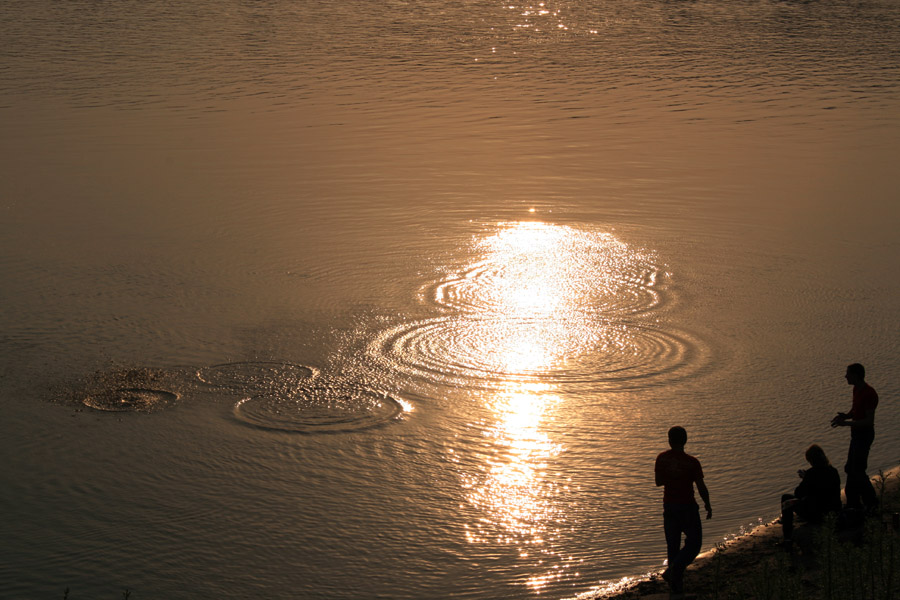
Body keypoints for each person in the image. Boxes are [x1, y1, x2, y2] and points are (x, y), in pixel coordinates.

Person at [655, 426, 712, 596]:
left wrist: (671, 475)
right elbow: (701, 486)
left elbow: (658, 482)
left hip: (670, 507)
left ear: (669, 440)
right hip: (687, 507)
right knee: (694, 543)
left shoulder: (662, 458)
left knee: (673, 547)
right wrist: (707, 504)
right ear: (685, 440)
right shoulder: (692, 462)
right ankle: (673, 574)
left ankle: (675, 584)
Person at [831, 363, 879, 512]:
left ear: (856, 375)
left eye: (848, 374)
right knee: (850, 468)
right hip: (857, 434)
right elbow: (856, 410)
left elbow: (868, 421)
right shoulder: (856, 390)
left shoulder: (869, 393)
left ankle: (871, 502)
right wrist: (846, 415)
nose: (845, 376)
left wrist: (846, 423)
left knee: (858, 470)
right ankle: (853, 502)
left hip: (864, 435)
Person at [780, 444, 842, 549]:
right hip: (833, 511)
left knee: (786, 498)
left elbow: (799, 493)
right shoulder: (833, 471)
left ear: (811, 460)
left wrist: (805, 478)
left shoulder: (811, 474)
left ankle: (787, 538)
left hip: (816, 513)